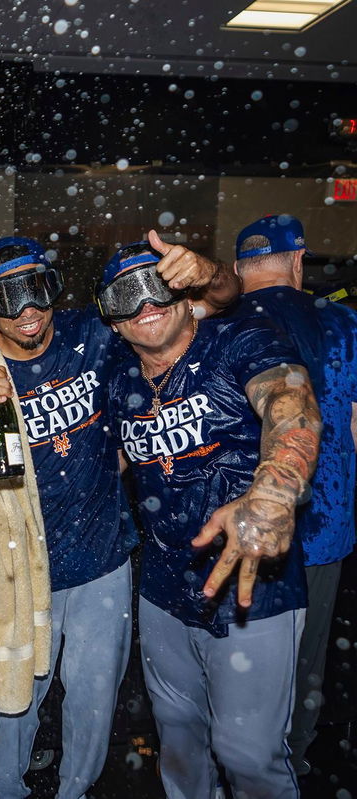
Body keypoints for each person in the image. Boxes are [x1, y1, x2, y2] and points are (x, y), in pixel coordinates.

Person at [0, 233, 235, 799]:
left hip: (100, 563)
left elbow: (204, 315)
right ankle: (9, 788)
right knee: (14, 698)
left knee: (93, 699)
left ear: (56, 288)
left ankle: (76, 789)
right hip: (18, 571)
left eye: (38, 289)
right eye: (10, 296)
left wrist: (209, 274)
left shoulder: (92, 337)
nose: (27, 311)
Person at [99, 239, 319, 798]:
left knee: (247, 753)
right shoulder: (119, 380)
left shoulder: (237, 341)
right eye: (127, 295)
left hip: (251, 581)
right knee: (179, 745)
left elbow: (288, 402)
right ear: (114, 322)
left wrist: (271, 496)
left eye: (158, 285)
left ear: (186, 296)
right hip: (164, 588)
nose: (146, 303)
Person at [231, 213, 357, 776]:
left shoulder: (219, 323)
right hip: (324, 527)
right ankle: (291, 763)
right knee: (306, 668)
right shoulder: (344, 324)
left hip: (247, 526)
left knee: (241, 661)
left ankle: (240, 763)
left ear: (238, 270)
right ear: (300, 261)